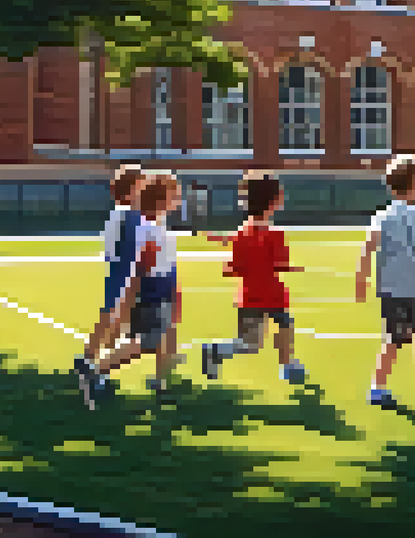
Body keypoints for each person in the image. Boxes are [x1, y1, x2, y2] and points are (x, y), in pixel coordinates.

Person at [84, 171, 185, 406]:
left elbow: (168, 266)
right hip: (152, 294)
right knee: (148, 341)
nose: (178, 199)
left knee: (160, 341)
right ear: (162, 199)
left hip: (161, 292)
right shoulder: (149, 230)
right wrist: (126, 305)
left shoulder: (157, 227)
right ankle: (97, 369)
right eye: (174, 195)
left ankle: (160, 383)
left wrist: (175, 295)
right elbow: (141, 270)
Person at [360, 155, 415, 409]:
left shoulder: (382, 216)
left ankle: (382, 386)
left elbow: (368, 248)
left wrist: (361, 279)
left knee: (393, 337)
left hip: (389, 287)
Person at [201, 172, 307, 385]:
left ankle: (218, 350)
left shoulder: (241, 233)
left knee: (251, 342)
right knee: (283, 326)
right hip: (273, 295)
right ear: (274, 202)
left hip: (249, 296)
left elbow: (235, 268)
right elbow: (279, 264)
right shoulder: (275, 233)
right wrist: (293, 268)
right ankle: (287, 366)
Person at [74, 165, 146, 408]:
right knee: (114, 323)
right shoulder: (124, 215)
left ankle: (89, 361)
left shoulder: (130, 214)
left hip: (125, 275)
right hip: (123, 275)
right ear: (132, 188)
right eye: (141, 185)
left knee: (112, 321)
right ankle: (98, 371)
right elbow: (115, 250)